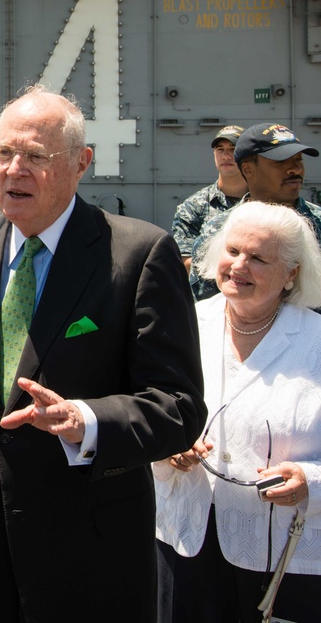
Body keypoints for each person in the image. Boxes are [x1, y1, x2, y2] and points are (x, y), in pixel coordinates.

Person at [0, 85, 206, 623]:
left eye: (35, 156)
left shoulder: (138, 255)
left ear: (81, 163)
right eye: (4, 153)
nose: (14, 169)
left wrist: (84, 419)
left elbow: (178, 406)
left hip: (88, 560)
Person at [156, 201, 321, 622]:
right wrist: (166, 448)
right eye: (232, 251)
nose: (238, 265)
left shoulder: (316, 341)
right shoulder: (181, 324)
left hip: (288, 557)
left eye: (258, 257)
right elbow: (148, 407)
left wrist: (313, 482)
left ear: (291, 274)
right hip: (183, 543)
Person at [191, 122, 321, 301]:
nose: (296, 169)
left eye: (299, 160)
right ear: (248, 169)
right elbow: (204, 303)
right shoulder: (220, 230)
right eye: (281, 161)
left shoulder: (318, 223)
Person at [172, 124, 246, 272]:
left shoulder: (264, 201)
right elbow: (185, 262)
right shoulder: (193, 207)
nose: (226, 156)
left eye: (233, 149)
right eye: (220, 150)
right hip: (210, 293)